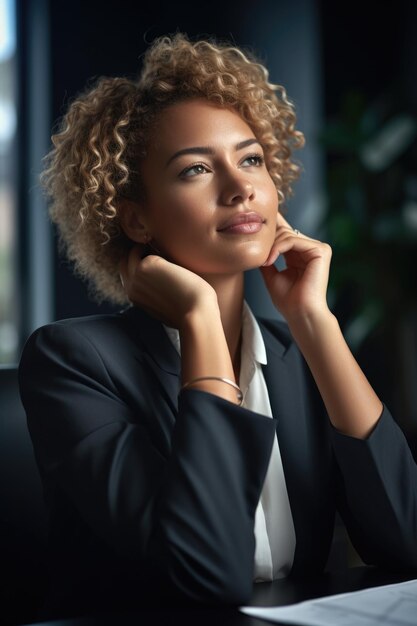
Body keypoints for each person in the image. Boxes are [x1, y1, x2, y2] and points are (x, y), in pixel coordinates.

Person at [19, 33, 417, 618]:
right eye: (196, 169)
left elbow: (407, 543)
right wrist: (200, 319)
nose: (240, 188)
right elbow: (206, 575)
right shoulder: (70, 361)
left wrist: (315, 320)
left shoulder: (299, 351)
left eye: (251, 158)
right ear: (135, 218)